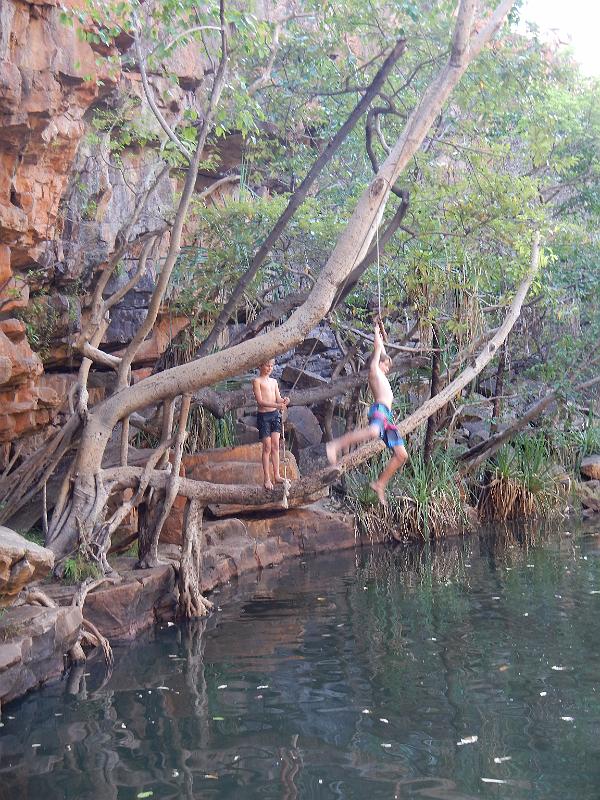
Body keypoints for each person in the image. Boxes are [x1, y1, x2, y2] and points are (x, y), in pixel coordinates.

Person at [326, 324, 408, 505]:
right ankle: (334, 445)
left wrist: (379, 327)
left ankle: (380, 484)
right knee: (372, 432)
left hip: (387, 416)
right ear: (378, 363)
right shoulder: (374, 372)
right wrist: (376, 335)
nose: (388, 367)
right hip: (379, 410)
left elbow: (382, 350)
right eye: (386, 364)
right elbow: (378, 350)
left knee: (402, 455)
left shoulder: (382, 375)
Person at [252, 359, 290, 490]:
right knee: (267, 447)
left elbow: (278, 398)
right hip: (264, 417)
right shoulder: (257, 381)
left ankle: (277, 475)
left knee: (275, 446)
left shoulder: (274, 382)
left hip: (275, 416)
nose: (269, 368)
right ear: (260, 365)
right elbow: (260, 402)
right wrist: (277, 405)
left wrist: (284, 400)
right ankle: (267, 479)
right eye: (267, 365)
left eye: (272, 366)